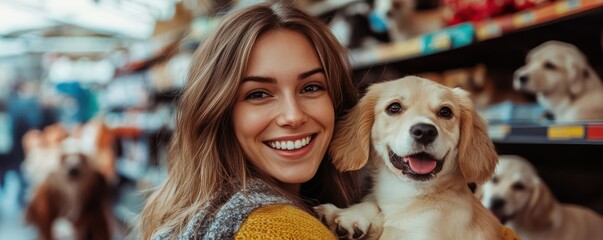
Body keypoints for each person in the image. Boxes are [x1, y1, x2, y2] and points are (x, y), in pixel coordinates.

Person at [139, 1, 362, 239]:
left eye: (311, 87)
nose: (293, 116)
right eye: (258, 94)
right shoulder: (281, 229)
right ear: (219, 112)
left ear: (336, 100)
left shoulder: (206, 212)